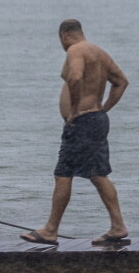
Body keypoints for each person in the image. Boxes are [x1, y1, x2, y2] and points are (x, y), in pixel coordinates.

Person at [24, 19, 132, 246]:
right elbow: (121, 82)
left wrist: (74, 110)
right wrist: (103, 109)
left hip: (82, 122)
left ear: (64, 35)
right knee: (98, 174)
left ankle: (51, 230)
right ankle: (118, 226)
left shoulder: (76, 50)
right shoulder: (99, 53)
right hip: (96, 120)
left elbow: (75, 77)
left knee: (63, 173)